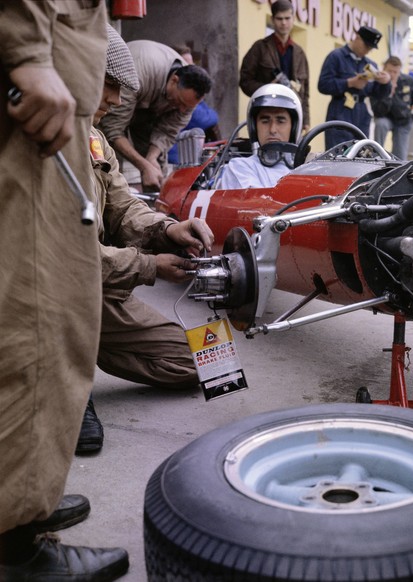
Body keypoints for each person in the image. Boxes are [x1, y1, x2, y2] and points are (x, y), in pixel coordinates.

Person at [0, 3, 129, 580]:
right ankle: (15, 544)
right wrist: (26, 51)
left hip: (52, 105)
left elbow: (125, 202)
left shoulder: (100, 139)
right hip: (38, 107)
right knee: (36, 322)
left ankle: (21, 496)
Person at [76, 27, 215, 455]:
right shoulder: (37, 145)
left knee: (203, 362)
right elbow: (69, 258)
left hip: (98, 291)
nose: (116, 101)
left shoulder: (96, 140)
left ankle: (80, 349)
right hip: (50, 293)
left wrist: (167, 229)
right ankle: (68, 383)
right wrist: (151, 267)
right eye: (110, 86)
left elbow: (122, 205)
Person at [98, 40, 212, 191]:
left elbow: (166, 132)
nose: (183, 110)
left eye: (188, 107)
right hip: (124, 92)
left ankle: (153, 208)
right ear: (174, 80)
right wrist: (143, 165)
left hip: (149, 109)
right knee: (107, 159)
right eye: (181, 102)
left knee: (156, 166)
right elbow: (112, 129)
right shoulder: (139, 73)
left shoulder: (188, 100)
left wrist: (150, 159)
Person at [239, 0, 310, 132]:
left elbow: (305, 92)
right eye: (279, 18)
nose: (283, 23)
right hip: (266, 113)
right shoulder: (259, 47)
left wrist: (305, 120)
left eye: (287, 18)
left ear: (293, 18)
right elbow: (244, 81)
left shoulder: (300, 52)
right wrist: (267, 89)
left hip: (293, 115)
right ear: (272, 19)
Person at [318, 25, 390, 150]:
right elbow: (323, 85)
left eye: (371, 48)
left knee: (360, 153)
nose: (368, 50)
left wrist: (385, 83)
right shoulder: (336, 57)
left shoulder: (370, 64)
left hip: (362, 113)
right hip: (340, 110)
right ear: (357, 37)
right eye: (366, 46)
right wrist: (349, 83)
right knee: (338, 152)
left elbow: (378, 94)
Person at [219, 84, 302, 189]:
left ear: (294, 127)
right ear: (254, 127)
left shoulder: (309, 170)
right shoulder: (238, 168)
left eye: (280, 121)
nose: (272, 129)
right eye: (265, 121)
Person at [371, 56, 413, 160]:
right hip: (385, 117)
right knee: (380, 124)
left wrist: (412, 119)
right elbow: (377, 110)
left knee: (400, 155)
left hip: (403, 120)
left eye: (395, 72)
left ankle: (398, 170)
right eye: (390, 71)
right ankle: (376, 156)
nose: (392, 74)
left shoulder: (407, 80)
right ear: (384, 68)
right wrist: (389, 92)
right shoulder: (377, 82)